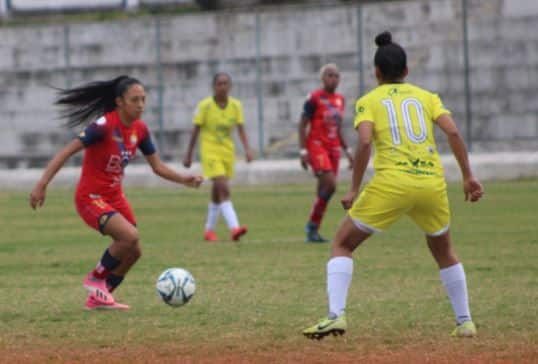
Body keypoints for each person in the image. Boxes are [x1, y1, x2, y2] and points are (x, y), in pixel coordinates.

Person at [303, 32, 484, 339]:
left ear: (376, 73)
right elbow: (453, 133)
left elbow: (363, 142)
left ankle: (336, 316)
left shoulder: (368, 101)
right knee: (444, 251)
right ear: (407, 71)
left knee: (343, 244)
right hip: (430, 183)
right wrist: (468, 176)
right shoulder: (427, 97)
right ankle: (465, 321)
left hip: (392, 184)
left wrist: (353, 189)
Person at [29, 76, 204, 310]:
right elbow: (67, 151)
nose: (141, 105)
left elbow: (158, 167)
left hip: (114, 197)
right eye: (135, 100)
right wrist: (42, 183)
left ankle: (99, 297)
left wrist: (185, 179)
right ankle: (95, 278)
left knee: (134, 250)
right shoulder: (103, 126)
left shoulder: (140, 130)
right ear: (120, 102)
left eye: (143, 99)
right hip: (90, 197)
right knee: (129, 237)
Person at [183, 72, 253, 242]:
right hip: (210, 151)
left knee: (217, 192)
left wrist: (247, 149)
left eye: (226, 83)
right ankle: (234, 228)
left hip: (227, 152)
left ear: (230, 86)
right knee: (223, 187)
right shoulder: (205, 106)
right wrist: (189, 154)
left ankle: (209, 231)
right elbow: (195, 131)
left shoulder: (236, 105)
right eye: (219, 84)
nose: (223, 87)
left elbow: (241, 129)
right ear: (214, 87)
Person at [299, 64, 353, 243]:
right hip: (317, 146)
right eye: (330, 75)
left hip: (334, 149)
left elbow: (337, 128)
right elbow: (302, 124)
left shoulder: (340, 100)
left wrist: (348, 151)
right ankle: (311, 227)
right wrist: (303, 151)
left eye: (336, 75)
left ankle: (313, 229)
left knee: (324, 190)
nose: (333, 79)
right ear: (322, 78)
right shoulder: (314, 98)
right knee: (330, 185)